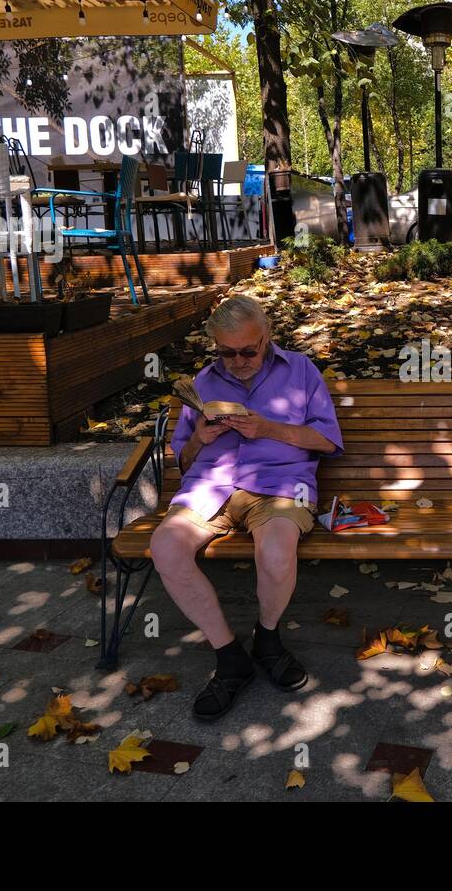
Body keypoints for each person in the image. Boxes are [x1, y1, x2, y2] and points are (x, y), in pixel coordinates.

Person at [149, 294, 342, 721]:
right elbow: (182, 462)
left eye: (247, 351)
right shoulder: (202, 382)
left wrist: (269, 428)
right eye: (226, 352)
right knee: (165, 548)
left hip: (279, 485)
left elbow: (328, 442)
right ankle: (229, 655)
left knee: (275, 552)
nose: (237, 361)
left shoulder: (302, 371)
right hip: (212, 486)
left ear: (267, 337)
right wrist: (200, 438)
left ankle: (267, 639)